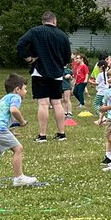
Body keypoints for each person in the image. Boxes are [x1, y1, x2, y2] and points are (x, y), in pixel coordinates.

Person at [16, 11, 72, 142]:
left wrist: (29, 58)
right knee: (57, 103)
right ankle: (61, 133)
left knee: (43, 103)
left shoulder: (35, 31)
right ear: (54, 21)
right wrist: (61, 64)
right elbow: (67, 55)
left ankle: (42, 135)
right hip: (57, 73)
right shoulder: (62, 35)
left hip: (40, 70)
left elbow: (20, 44)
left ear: (43, 21)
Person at [0, 74, 38, 190]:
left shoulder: (5, 98)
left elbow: (0, 117)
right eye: (25, 89)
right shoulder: (16, 98)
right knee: (18, 149)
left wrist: (9, 131)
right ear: (17, 89)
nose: (26, 91)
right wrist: (21, 121)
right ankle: (19, 178)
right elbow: (14, 110)